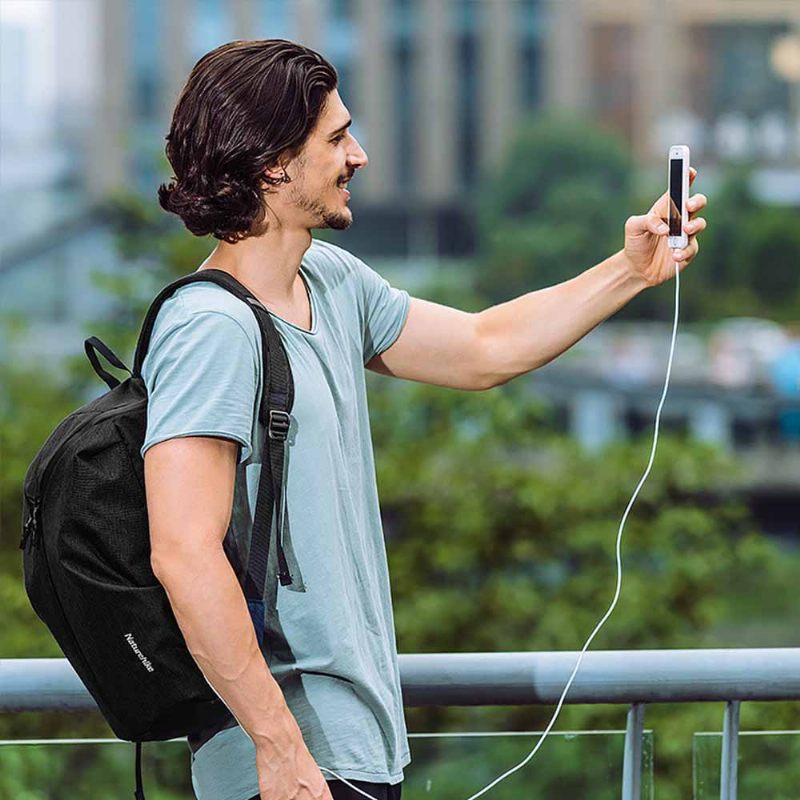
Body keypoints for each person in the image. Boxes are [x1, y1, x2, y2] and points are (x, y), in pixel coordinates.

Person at [142, 39, 707, 800]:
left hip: (356, 752)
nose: (360, 155)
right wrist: (278, 750)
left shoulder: (331, 282)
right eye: (337, 138)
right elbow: (182, 552)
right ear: (275, 163)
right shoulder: (209, 328)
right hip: (286, 771)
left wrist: (628, 270)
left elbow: (484, 347)